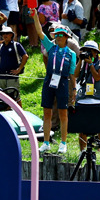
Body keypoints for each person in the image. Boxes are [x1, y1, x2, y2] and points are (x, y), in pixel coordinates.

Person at [35, 15, 77, 155]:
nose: (58, 37)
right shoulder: (51, 47)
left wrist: (75, 89)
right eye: (56, 34)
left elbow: (72, 73)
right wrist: (35, 15)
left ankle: (63, 143)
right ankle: (46, 142)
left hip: (63, 82)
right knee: (47, 112)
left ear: (66, 37)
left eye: (60, 35)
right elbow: (40, 32)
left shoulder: (71, 53)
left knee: (63, 113)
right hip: (49, 80)